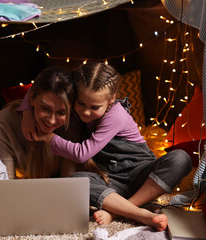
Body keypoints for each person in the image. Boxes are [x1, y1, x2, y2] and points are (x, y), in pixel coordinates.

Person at [21, 62, 192, 231]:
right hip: (110, 179)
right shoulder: (80, 102)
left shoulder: (116, 115)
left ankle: (127, 212)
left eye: (94, 107)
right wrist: (27, 112)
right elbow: (44, 84)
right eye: (80, 103)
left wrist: (49, 137)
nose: (85, 112)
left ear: (111, 99)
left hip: (142, 174)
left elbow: (82, 154)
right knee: (76, 182)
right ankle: (128, 209)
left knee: (181, 159)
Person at [0, 67, 82, 179]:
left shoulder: (74, 123)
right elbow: (5, 183)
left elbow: (69, 182)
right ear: (32, 98)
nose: (52, 120)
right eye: (45, 108)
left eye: (61, 112)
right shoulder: (4, 121)